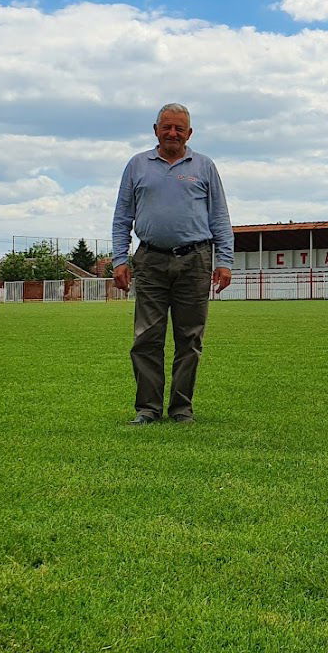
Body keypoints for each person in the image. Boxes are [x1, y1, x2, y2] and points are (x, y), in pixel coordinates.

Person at [111, 103, 234, 425]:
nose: (172, 133)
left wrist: (225, 261)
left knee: (189, 338)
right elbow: (122, 216)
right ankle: (148, 410)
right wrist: (120, 259)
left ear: (189, 133)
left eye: (179, 128)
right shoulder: (137, 166)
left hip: (195, 260)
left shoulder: (204, 166)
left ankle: (181, 409)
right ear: (155, 130)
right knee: (147, 337)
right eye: (167, 127)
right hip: (149, 259)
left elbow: (220, 217)